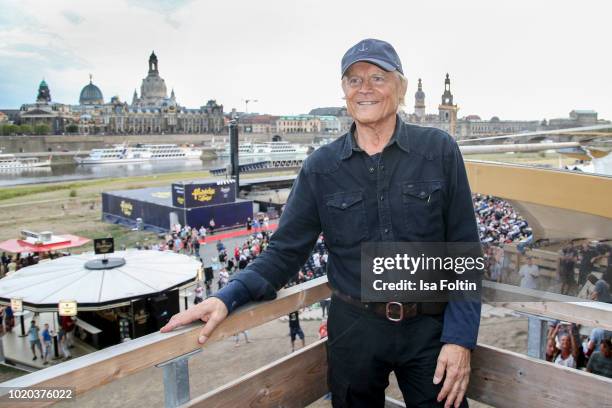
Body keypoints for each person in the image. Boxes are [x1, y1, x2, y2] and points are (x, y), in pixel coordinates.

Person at [161, 38, 481, 408]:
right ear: (344, 91)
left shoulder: (439, 150)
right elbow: (284, 252)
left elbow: (465, 252)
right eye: (354, 80)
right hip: (354, 331)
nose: (365, 89)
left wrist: (459, 339)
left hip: (430, 328)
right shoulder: (321, 167)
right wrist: (226, 296)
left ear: (401, 87)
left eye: (378, 78)